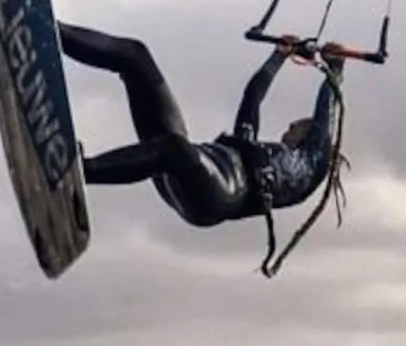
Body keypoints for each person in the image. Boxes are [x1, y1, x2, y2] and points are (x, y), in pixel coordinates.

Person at [56, 21, 347, 229]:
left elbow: (326, 116)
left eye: (296, 127)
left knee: (175, 149)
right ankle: (53, 29)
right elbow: (252, 98)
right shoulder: (256, 149)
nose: (288, 127)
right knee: (135, 57)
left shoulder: (312, 164)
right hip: (182, 166)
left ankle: (79, 172)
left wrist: (335, 68)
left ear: (311, 136)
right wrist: (278, 56)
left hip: (213, 197)